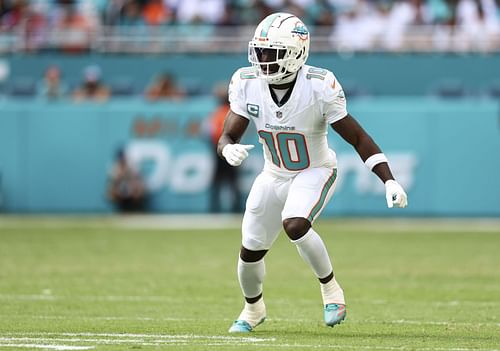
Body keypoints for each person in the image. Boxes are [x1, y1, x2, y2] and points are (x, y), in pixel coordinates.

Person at [217, 12, 408, 333]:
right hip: (273, 174)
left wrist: (389, 179)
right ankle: (253, 309)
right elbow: (228, 134)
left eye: (271, 53)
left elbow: (358, 137)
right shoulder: (247, 83)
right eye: (259, 52)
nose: (262, 60)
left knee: (294, 223)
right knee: (249, 251)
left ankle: (331, 290)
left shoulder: (319, 85)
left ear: (295, 53)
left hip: (314, 170)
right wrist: (226, 148)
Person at [207, 83, 242, 213]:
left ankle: (217, 207)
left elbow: (212, 133)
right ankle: (229, 207)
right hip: (228, 149)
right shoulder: (229, 112)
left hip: (221, 150)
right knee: (230, 181)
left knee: (223, 181)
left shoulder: (220, 113)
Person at [107, 148, 147, 212]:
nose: (122, 161)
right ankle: (121, 209)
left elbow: (139, 180)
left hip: (131, 190)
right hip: (121, 192)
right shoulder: (115, 168)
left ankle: (136, 209)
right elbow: (111, 184)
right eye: (121, 159)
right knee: (111, 191)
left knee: (138, 188)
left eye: (123, 159)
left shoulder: (132, 166)